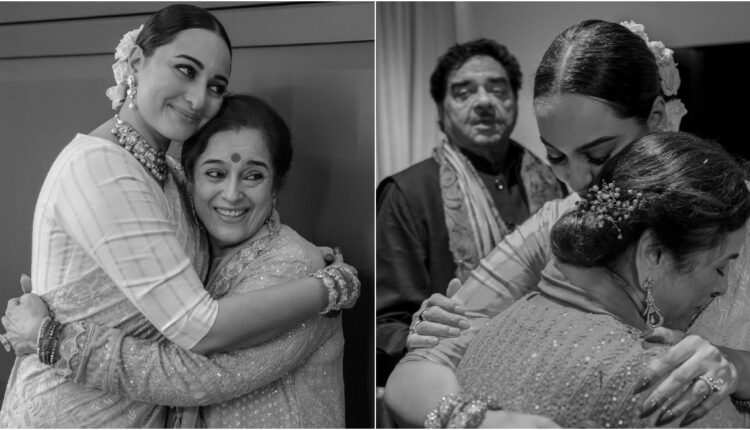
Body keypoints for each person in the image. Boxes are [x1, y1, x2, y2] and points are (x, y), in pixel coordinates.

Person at [0, 5, 358, 427]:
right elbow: (197, 326)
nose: (198, 98)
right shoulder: (102, 168)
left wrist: (303, 263)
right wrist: (330, 287)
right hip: (73, 415)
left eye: (215, 86)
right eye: (186, 70)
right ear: (136, 61)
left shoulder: (167, 173)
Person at [385, 19, 750, 427]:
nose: (577, 181)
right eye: (556, 157)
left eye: (598, 156)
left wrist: (735, 365)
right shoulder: (565, 221)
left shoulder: (738, 219)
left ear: (656, 118)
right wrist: (485, 422)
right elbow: (417, 370)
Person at [451, 131, 750, 427]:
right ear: (654, 254)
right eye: (720, 268)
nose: (723, 287)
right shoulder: (671, 393)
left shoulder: (494, 331)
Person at [376, 38, 563, 380]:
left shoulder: (556, 181)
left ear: (515, 100)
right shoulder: (407, 193)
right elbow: (385, 324)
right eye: (464, 92)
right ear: (440, 110)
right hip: (453, 379)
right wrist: (425, 331)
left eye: (498, 90)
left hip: (554, 366)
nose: (484, 102)